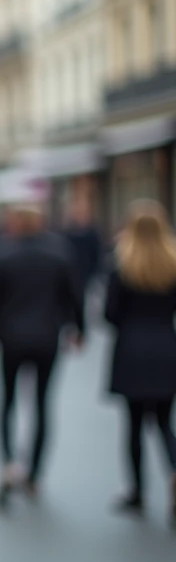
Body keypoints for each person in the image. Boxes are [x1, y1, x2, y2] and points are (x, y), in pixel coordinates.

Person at [0, 205, 84, 508]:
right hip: (46, 337)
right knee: (41, 403)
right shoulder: (59, 253)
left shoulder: (3, 254)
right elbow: (73, 295)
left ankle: (8, 464)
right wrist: (79, 329)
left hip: (11, 338)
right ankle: (35, 474)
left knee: (7, 401)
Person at [103, 200, 176, 524]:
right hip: (165, 346)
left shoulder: (122, 265)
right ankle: (173, 472)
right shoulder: (173, 264)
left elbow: (109, 314)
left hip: (131, 348)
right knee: (163, 422)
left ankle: (137, 491)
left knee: (132, 426)